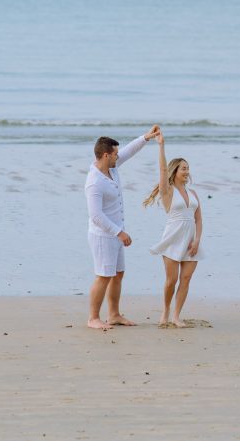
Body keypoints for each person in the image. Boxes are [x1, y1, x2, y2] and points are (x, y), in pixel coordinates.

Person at [85, 127, 160, 330]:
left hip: (116, 233)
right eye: (115, 154)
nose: (118, 156)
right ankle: (93, 318)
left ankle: (114, 315)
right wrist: (119, 232)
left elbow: (129, 151)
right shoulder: (94, 182)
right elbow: (96, 216)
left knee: (118, 274)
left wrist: (146, 137)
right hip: (103, 235)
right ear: (105, 154)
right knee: (104, 276)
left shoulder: (113, 168)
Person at [144, 131, 203, 327]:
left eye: (188, 168)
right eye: (183, 168)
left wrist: (197, 241)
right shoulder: (168, 192)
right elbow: (162, 171)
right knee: (172, 280)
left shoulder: (193, 193)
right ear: (175, 171)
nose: (186, 171)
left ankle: (176, 316)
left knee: (186, 279)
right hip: (172, 238)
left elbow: (198, 219)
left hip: (191, 242)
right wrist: (161, 146)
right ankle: (166, 310)